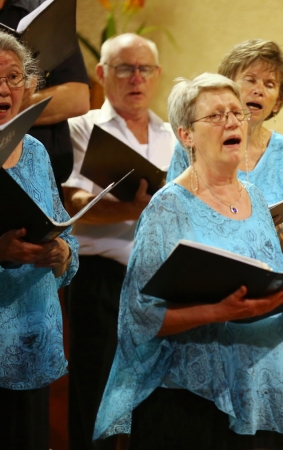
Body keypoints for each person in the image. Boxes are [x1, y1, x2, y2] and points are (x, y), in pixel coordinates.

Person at [93, 73, 283, 449]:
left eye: (236, 113)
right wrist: (218, 312)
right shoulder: (167, 207)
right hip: (195, 403)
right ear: (186, 135)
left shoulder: (255, 198)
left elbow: (272, 281)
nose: (232, 122)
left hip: (264, 393)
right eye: (216, 116)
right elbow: (139, 317)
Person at [62, 33, 174, 450]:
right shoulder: (79, 128)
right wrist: (128, 208)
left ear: (157, 75)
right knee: (97, 393)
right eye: (125, 68)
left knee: (153, 397)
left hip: (160, 283)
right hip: (101, 280)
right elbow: (70, 202)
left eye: (145, 69)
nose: (136, 78)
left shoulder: (172, 136)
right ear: (102, 73)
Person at [166, 39, 283, 262]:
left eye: (270, 84)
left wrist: (273, 227)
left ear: (277, 102)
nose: (258, 91)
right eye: (250, 80)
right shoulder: (192, 146)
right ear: (227, 88)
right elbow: (173, 225)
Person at [0, 31, 79, 450]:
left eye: (14, 77)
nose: (3, 89)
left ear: (28, 87)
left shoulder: (34, 151)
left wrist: (63, 252)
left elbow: (66, 232)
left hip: (32, 344)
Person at [0, 0, 91, 201]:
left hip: (45, 179)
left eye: (14, 77)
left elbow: (78, 98)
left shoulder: (41, 12)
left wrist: (18, 101)